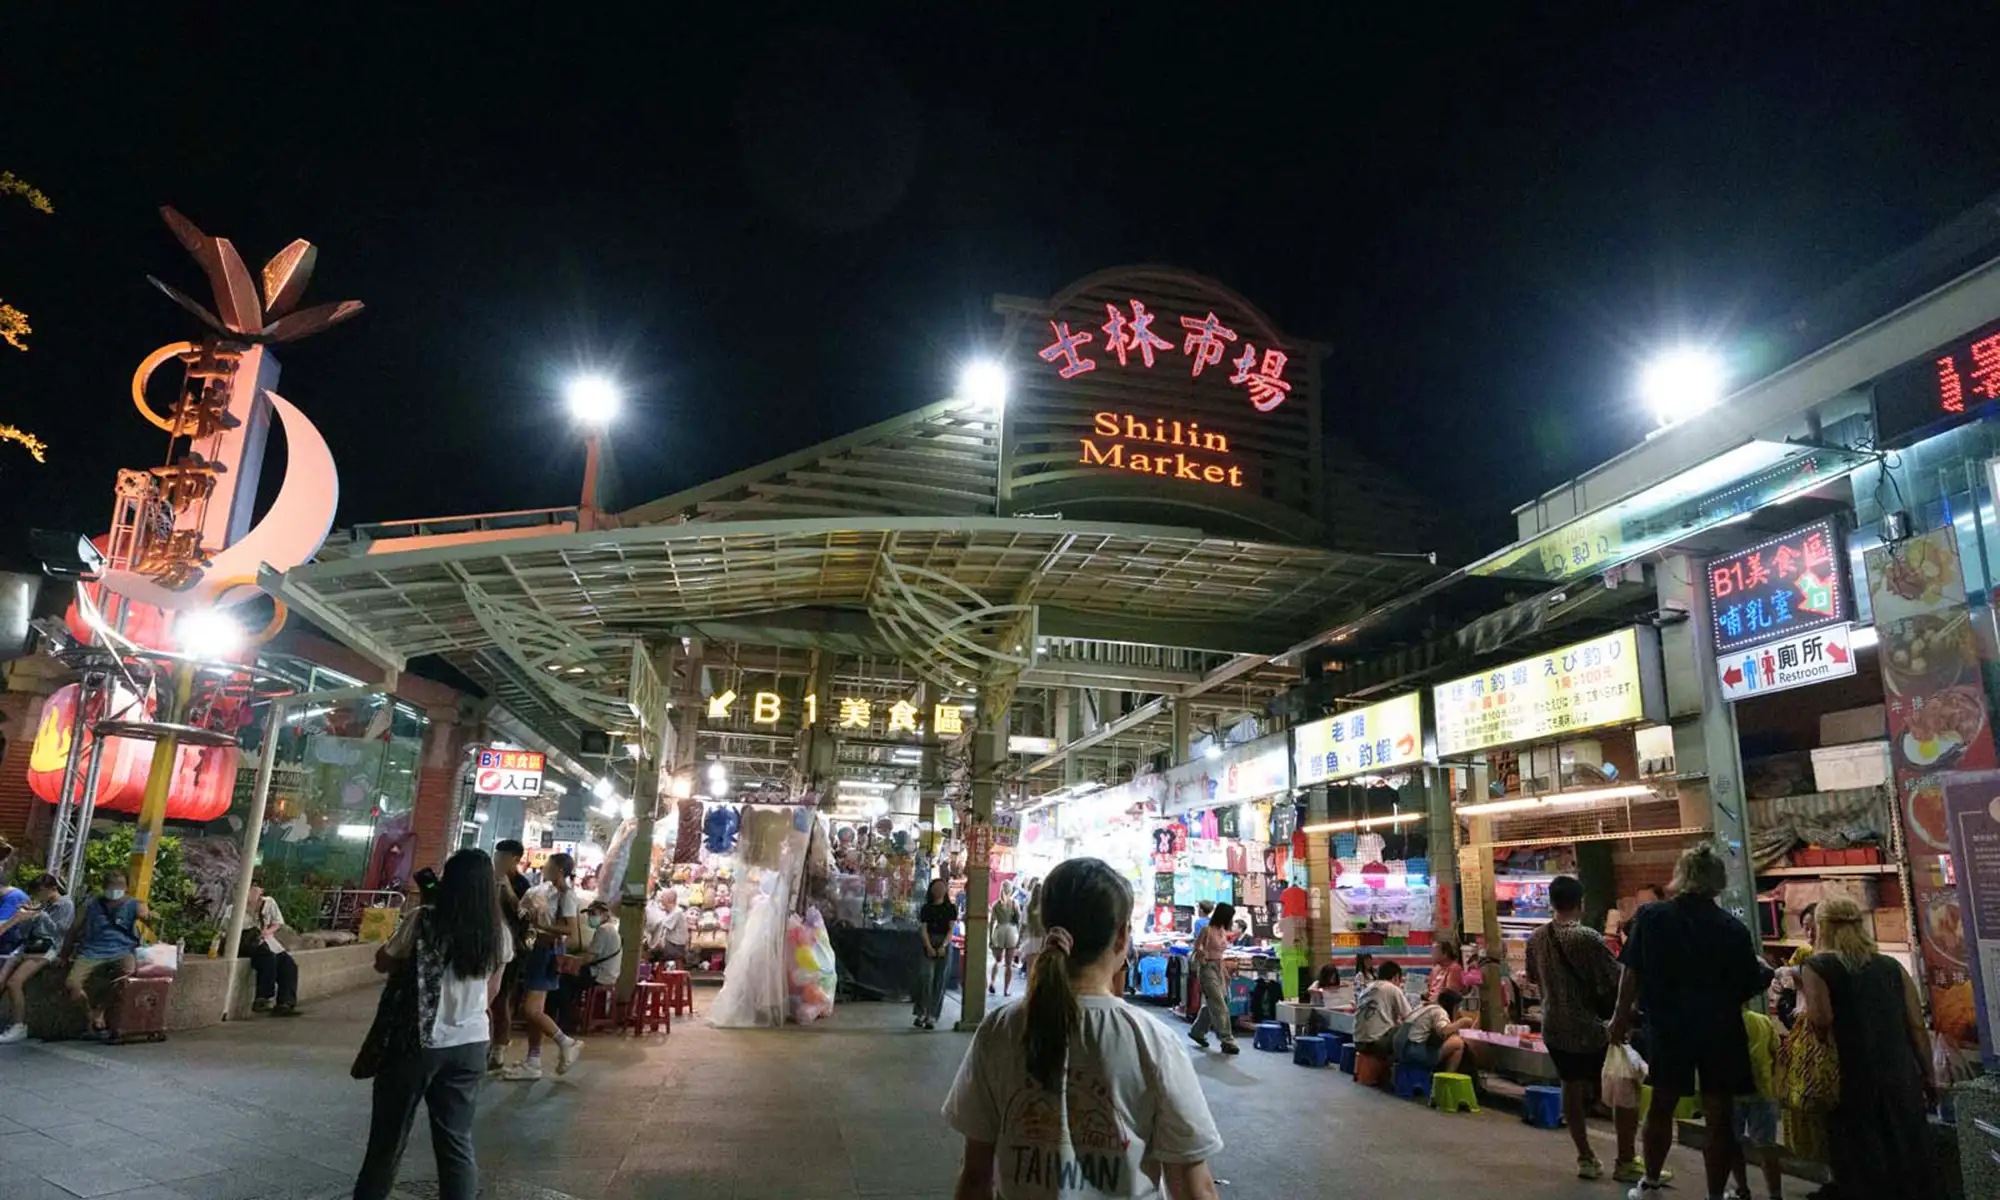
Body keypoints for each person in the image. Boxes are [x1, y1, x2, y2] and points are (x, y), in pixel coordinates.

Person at [943, 857, 1223, 1199]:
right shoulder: (1153, 1041)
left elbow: (975, 1177)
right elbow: (1195, 1189)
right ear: (1121, 937)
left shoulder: (998, 1030)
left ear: (1047, 927)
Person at [1611, 843, 1772, 1199]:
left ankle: (1651, 1183)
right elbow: (1747, 986)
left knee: (1662, 1105)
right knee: (1719, 1115)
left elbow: (1631, 972)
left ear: (1681, 877)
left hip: (1669, 1027)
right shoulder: (1732, 928)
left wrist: (1619, 1018)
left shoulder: (1652, 917)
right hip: (1722, 1029)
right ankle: (1715, 1194)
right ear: (1717, 881)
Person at [352, 848, 512, 1200]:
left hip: (417, 1043)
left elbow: (384, 962)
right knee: (456, 1142)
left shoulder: (424, 919)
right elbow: (493, 989)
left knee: (387, 1141)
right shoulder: (499, 932)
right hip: (471, 1044)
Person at [1797, 896, 1941, 1197]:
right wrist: (1928, 1074)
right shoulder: (1890, 966)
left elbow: (1822, 1019)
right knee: (1906, 1156)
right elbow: (1916, 1025)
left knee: (1859, 1161)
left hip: (1850, 1079)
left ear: (1823, 927)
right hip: (1899, 1074)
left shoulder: (1817, 966)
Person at [1526, 874, 1637, 1182]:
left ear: (1552, 902)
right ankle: (1626, 1160)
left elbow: (1534, 977)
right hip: (1591, 1027)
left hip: (1553, 1026)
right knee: (1622, 1084)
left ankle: (1585, 1157)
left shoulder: (1536, 937)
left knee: (1571, 1087)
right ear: (1580, 902)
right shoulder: (1587, 937)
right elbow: (1617, 977)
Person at [502, 851, 584, 1081]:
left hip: (549, 952)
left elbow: (569, 929)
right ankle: (533, 1060)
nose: (543, 867)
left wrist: (540, 925)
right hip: (538, 949)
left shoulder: (567, 895)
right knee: (535, 1011)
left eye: (548, 864)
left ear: (559, 869)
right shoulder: (545, 890)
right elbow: (523, 909)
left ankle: (566, 1042)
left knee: (531, 1010)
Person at [62, 868, 153, 1039]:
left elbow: (149, 920)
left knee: (127, 975)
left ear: (126, 886)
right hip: (92, 950)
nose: (115, 890)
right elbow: (74, 929)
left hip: (122, 949)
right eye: (112, 886)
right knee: (72, 984)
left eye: (119, 885)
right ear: (104, 887)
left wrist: (147, 916)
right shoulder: (91, 904)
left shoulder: (134, 904)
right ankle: (90, 1013)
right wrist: (64, 954)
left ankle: (100, 1011)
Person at [0, 873, 73, 1043]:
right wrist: (24, 917)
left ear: (52, 889)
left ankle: (19, 1026)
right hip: (28, 945)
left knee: (14, 982)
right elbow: (26, 931)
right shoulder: (44, 904)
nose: (37, 896)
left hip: (47, 948)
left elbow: (59, 931)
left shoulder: (65, 905)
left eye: (40, 891)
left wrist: (41, 915)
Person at [1727, 1002, 1786, 1200]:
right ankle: (1775, 1195)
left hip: (1731, 1092)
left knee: (1733, 1144)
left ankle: (1742, 1191)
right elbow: (1778, 1053)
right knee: (1767, 1147)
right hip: (1763, 1091)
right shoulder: (1763, 1021)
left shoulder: (1721, 1023)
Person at [486, 839, 529, 1072]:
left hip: (511, 950)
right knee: (483, 999)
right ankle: (485, 1043)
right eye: (496, 856)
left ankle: (499, 1050)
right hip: (485, 947)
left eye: (502, 857)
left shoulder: (522, 884)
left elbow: (524, 913)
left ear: (515, 859)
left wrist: (508, 890)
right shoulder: (487, 879)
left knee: (502, 999)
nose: (498, 861)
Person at [1187, 901, 1239, 1054]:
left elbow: (1221, 954)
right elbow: (1197, 947)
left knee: (1215, 1001)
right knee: (1219, 1003)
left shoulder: (1222, 931)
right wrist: (1202, 956)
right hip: (1207, 968)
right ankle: (1227, 1040)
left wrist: (1225, 972)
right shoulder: (1206, 930)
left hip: (1219, 968)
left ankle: (1197, 1031)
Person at [246, 879, 301, 1016]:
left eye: (256, 888)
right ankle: (263, 996)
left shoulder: (269, 903)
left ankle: (285, 1002)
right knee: (268, 958)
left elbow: (277, 922)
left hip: (267, 939)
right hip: (248, 941)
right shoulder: (236, 907)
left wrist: (268, 932)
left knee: (288, 964)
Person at [1396, 987, 1476, 1074]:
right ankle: (1446, 1078)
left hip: (1401, 1047)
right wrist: (1462, 1022)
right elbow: (1444, 1030)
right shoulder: (1439, 1011)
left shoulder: (1423, 1006)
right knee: (1458, 1043)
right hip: (1414, 1051)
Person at [916, 878, 957, 1031]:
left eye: (942, 887)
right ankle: (921, 1012)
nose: (939, 890)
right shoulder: (926, 908)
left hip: (944, 943)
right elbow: (923, 929)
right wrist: (928, 946)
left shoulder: (951, 908)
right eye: (936, 887)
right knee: (926, 977)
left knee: (939, 980)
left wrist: (944, 946)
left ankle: (932, 1016)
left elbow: (951, 929)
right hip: (929, 940)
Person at [1352, 960, 1411, 1057]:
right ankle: (1393, 1068)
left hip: (1358, 1042)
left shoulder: (1367, 988)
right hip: (1376, 1044)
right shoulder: (1393, 988)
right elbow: (1410, 1017)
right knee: (1407, 1029)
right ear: (1396, 977)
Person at [581, 899, 622, 988]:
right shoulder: (611, 929)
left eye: (593, 914)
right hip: (610, 976)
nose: (590, 917)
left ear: (605, 915)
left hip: (601, 976)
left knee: (565, 979)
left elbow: (588, 959)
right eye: (589, 915)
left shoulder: (603, 930)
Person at [989, 889, 1022, 996]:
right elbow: (1019, 920)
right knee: (1008, 964)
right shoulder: (1014, 903)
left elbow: (992, 922)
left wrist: (990, 937)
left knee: (997, 961)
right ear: (1011, 890)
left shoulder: (996, 904)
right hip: (1011, 932)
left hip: (999, 931)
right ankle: (1006, 990)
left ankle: (992, 983)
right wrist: (1019, 938)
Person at [646, 887, 689, 967]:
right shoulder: (669, 911)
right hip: (671, 944)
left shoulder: (677, 912)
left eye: (663, 897)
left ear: (669, 899)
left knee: (649, 949)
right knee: (651, 945)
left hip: (676, 948)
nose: (660, 899)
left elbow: (661, 925)